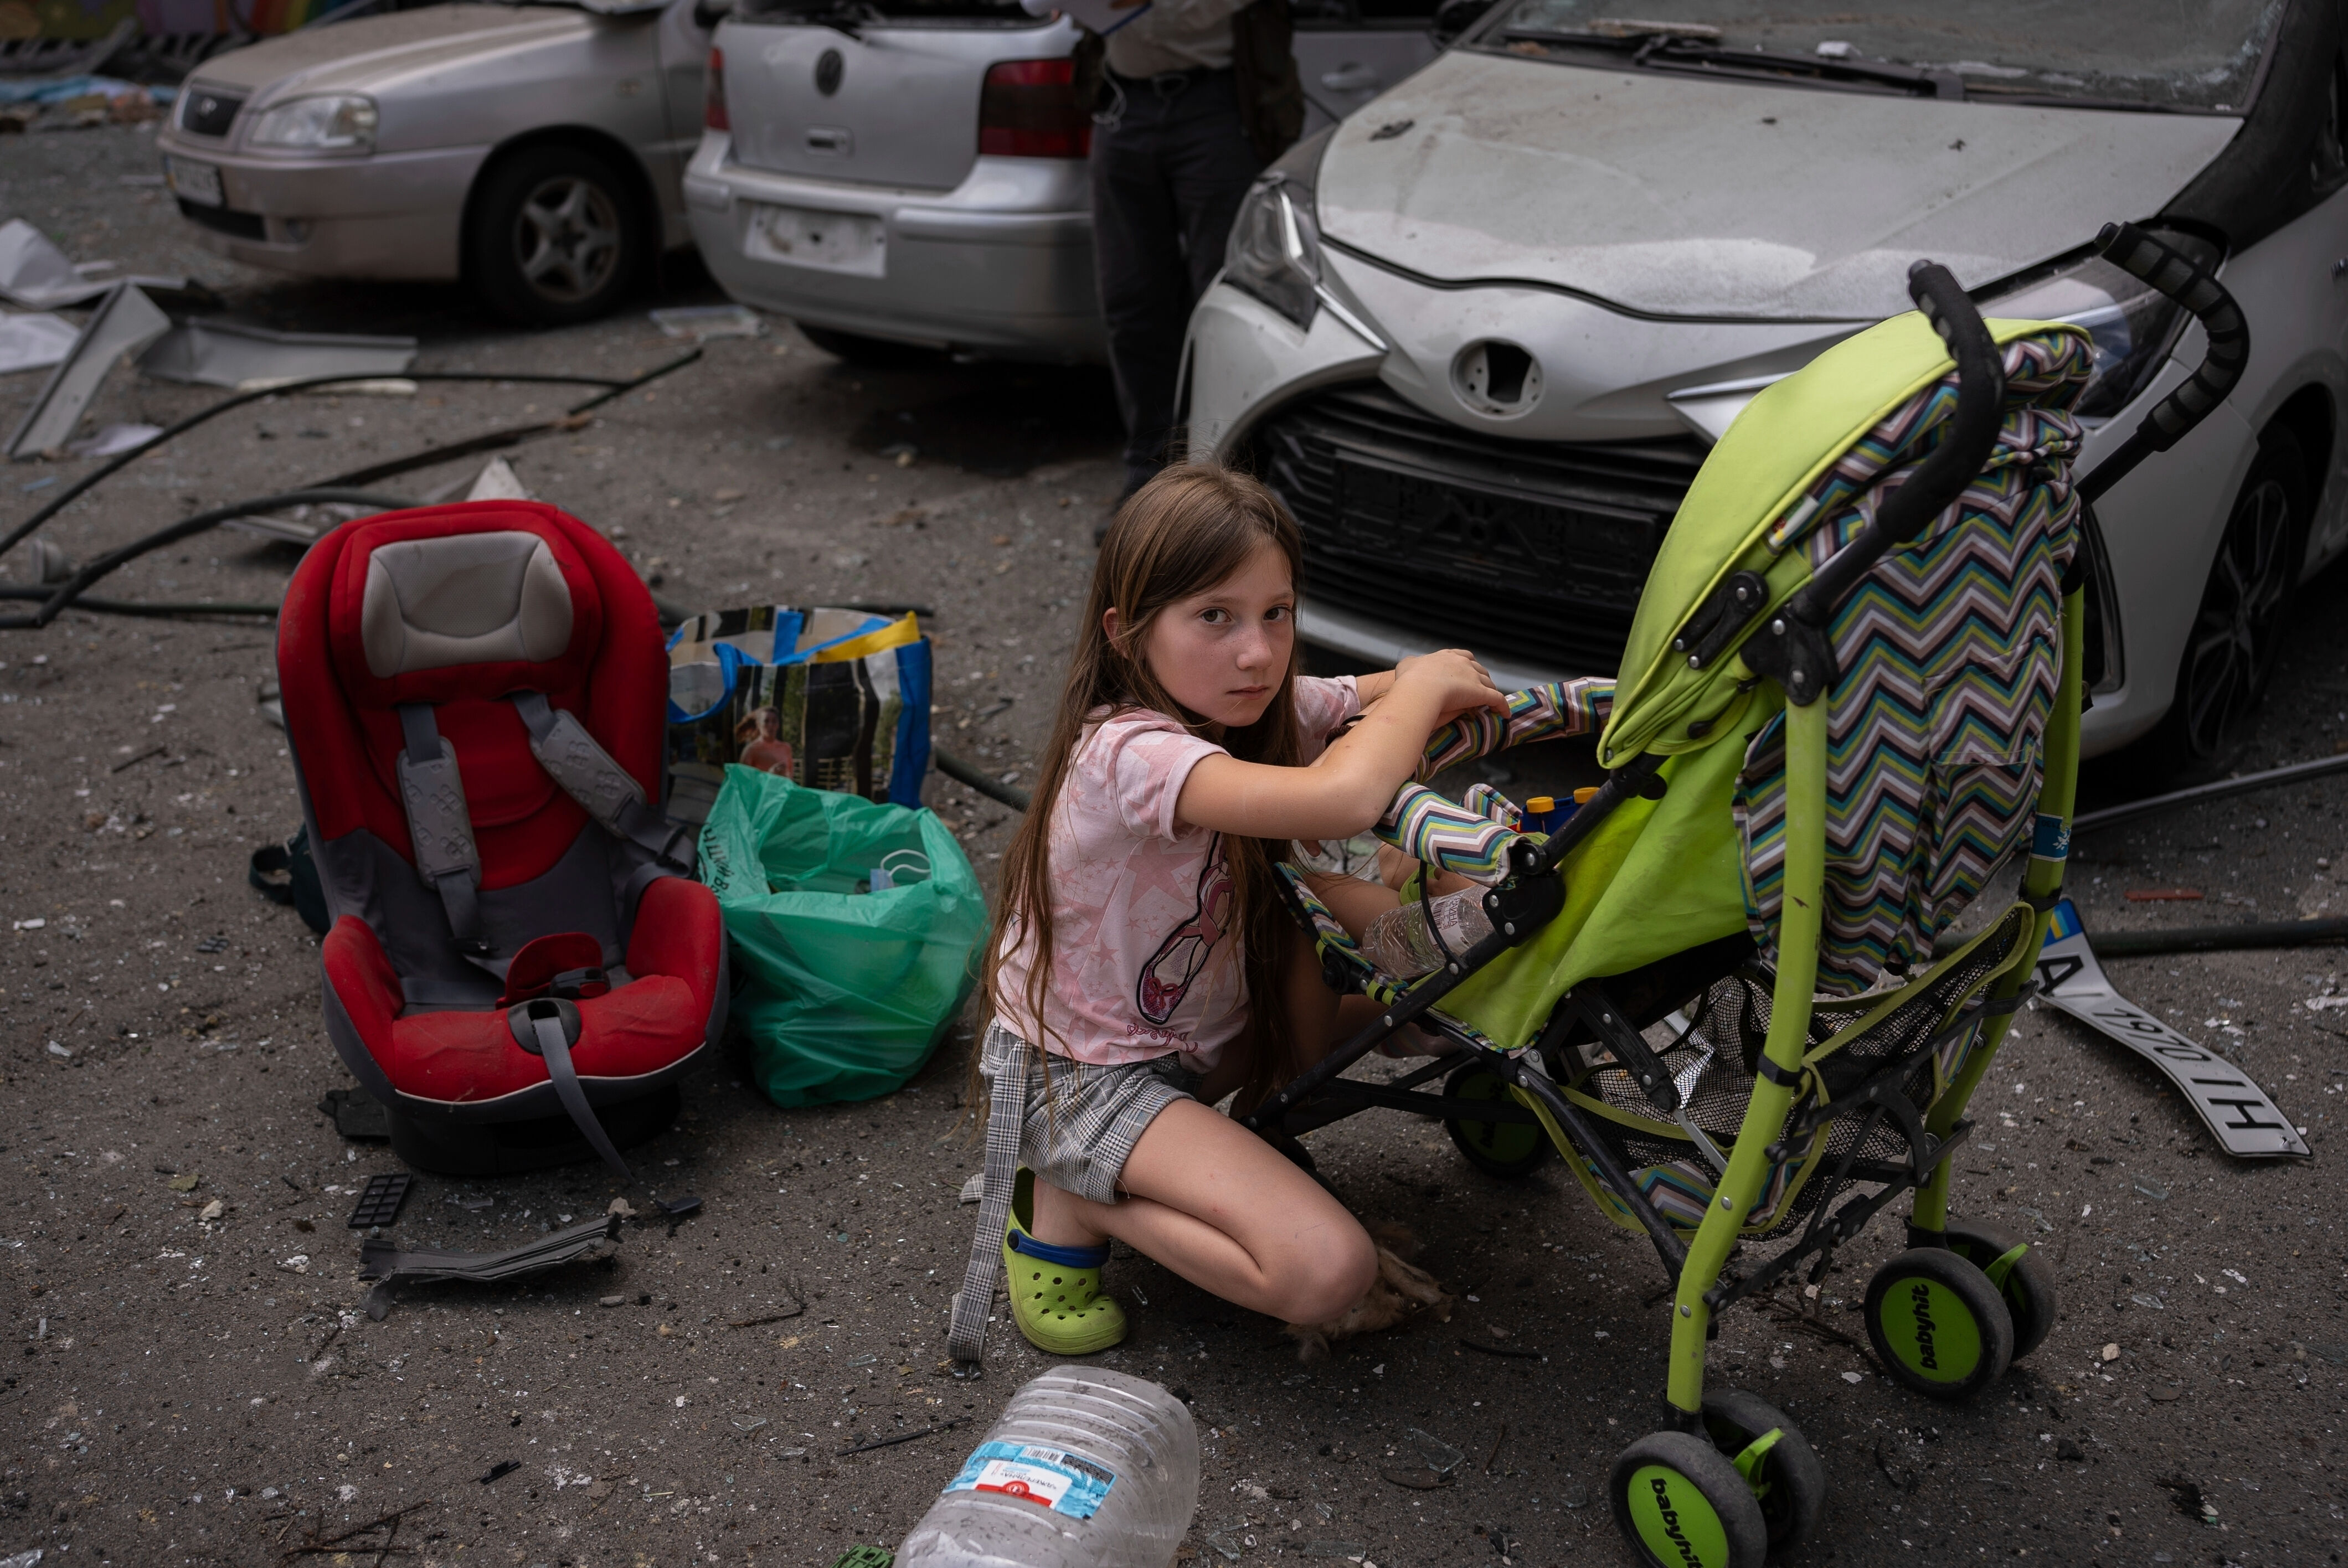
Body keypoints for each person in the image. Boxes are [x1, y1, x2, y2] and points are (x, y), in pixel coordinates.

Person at [945, 464, 1505, 1365]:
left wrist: (1402, 678)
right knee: (1328, 1271)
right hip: (1088, 1079)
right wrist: (1429, 685)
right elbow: (1343, 797)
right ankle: (1075, 1198)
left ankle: (1421, 1031)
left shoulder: (1241, 700)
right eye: (1216, 616)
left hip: (1202, 1029)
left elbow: (1346, 700)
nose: (1257, 651)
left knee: (1403, 968)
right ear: (1127, 634)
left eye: (1275, 612)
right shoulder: (1130, 753)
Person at [1077, 0, 1304, 507]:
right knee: (1131, 300)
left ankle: (1223, 488)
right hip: (1122, 106)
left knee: (1225, 306)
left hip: (1216, 106)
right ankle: (1148, 479)